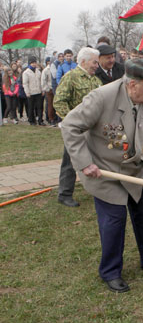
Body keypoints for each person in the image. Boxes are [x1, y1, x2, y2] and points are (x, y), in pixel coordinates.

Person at [60, 58, 143, 293]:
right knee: (114, 221)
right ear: (132, 85)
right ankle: (110, 271)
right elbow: (70, 125)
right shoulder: (101, 97)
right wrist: (84, 163)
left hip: (135, 171)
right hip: (104, 171)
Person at [54, 47, 103, 207]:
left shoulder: (95, 80)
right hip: (76, 130)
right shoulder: (71, 77)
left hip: (94, 128)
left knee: (97, 159)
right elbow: (59, 101)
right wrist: (71, 123)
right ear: (83, 61)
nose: (97, 65)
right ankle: (65, 193)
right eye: (95, 62)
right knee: (71, 161)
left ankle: (99, 189)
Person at [22, 56, 45, 126]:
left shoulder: (38, 71)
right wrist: (27, 92)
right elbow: (25, 83)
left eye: (35, 63)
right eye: (32, 63)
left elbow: (41, 81)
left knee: (40, 107)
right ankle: (31, 120)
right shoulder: (26, 72)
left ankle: (40, 120)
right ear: (29, 64)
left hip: (38, 91)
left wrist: (42, 90)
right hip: (31, 92)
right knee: (31, 107)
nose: (34, 64)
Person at [41, 57, 57, 125]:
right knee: (50, 104)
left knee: (56, 104)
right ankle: (51, 119)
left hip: (56, 88)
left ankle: (56, 117)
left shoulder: (57, 68)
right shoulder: (46, 70)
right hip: (49, 89)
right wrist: (46, 89)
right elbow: (43, 80)